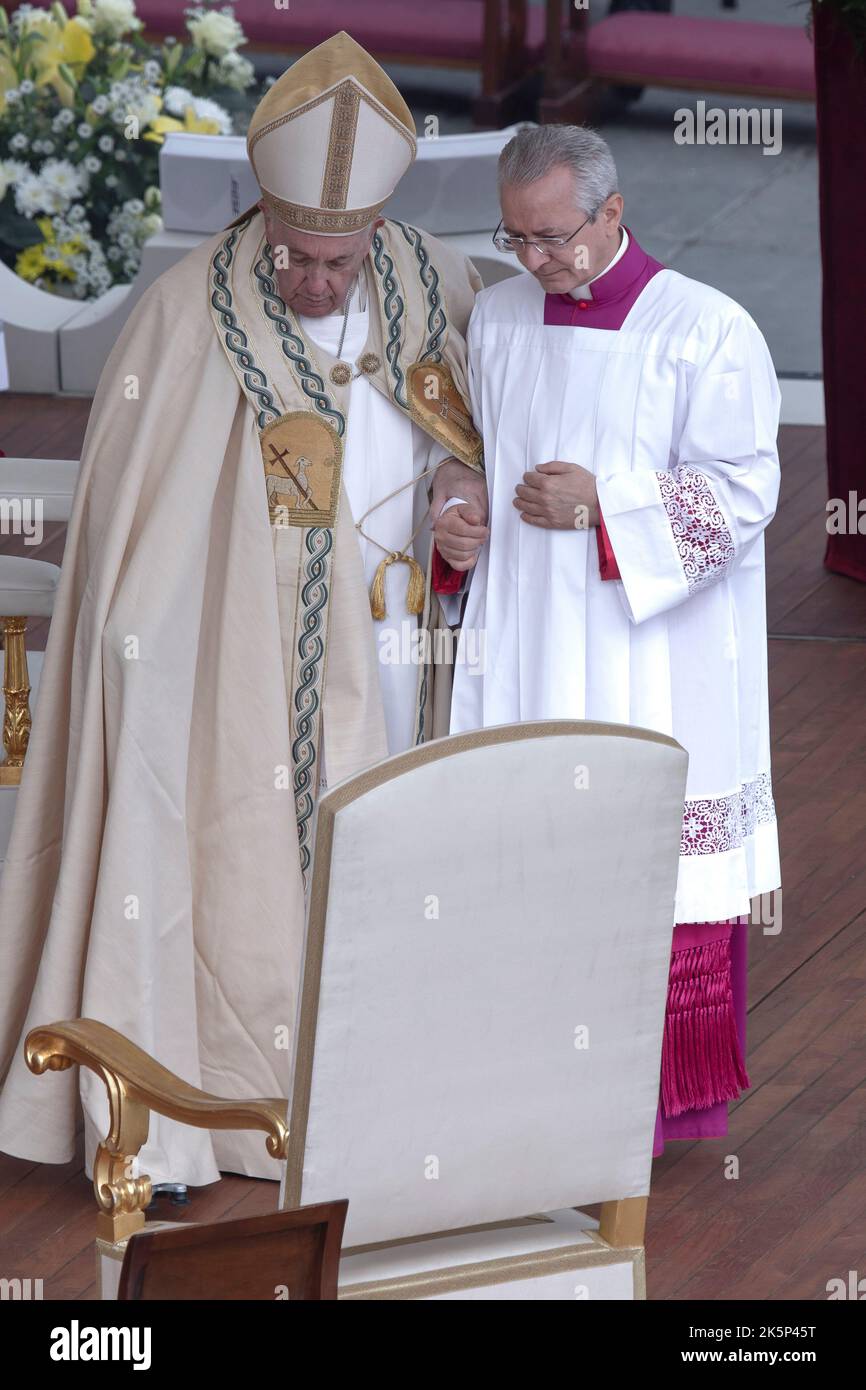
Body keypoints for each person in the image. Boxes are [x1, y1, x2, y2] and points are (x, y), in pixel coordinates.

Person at [0, 32, 486, 1187]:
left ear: (379, 231)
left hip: (400, 648)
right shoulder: (182, 317)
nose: (317, 280)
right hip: (234, 666)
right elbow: (142, 528)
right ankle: (207, 1105)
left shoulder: (433, 285)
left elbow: (476, 438)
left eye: (338, 258)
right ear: (263, 214)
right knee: (226, 860)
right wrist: (143, 657)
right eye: (297, 255)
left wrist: (460, 494)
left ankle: (396, 1092)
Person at [435, 124, 782, 1155]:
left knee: (648, 868)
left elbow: (742, 493)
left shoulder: (706, 330)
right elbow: (457, 463)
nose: (533, 261)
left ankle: (658, 1114)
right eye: (514, 240)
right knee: (519, 860)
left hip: (649, 665)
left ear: (612, 212)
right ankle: (520, 1091)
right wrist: (452, 515)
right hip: (525, 645)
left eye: (551, 237)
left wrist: (610, 507)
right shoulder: (492, 321)